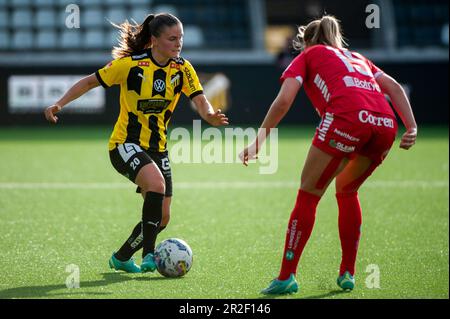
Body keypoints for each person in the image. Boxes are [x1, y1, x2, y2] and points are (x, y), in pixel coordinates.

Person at [239, 15, 417, 294]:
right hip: (384, 125)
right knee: (347, 191)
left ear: (306, 42)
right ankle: (348, 272)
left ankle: (287, 276)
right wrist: (412, 126)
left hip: (346, 120)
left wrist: (259, 140)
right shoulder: (357, 57)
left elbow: (283, 101)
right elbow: (393, 88)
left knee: (308, 194)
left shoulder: (308, 55)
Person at [44, 13, 228, 273]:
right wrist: (59, 103)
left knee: (163, 217)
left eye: (181, 38)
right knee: (156, 185)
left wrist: (209, 115)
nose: (178, 44)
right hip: (124, 144)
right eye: (172, 38)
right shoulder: (130, 66)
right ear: (154, 40)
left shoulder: (182, 69)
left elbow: (200, 99)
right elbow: (89, 81)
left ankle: (121, 257)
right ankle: (150, 255)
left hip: (158, 148)